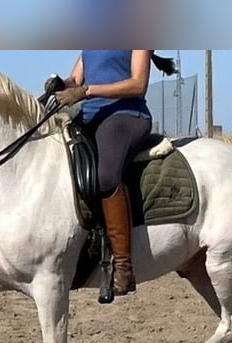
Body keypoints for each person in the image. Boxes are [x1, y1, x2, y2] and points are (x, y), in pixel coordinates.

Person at [53, 50, 176, 295]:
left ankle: (123, 265)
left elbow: (137, 84)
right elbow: (75, 80)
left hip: (126, 115)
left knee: (107, 177)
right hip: (89, 116)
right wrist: (60, 85)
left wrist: (87, 92)